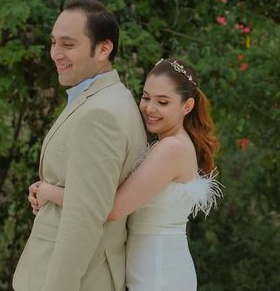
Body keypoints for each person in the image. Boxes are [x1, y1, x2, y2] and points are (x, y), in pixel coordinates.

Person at [34, 57, 222, 291]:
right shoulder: (165, 145)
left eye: (163, 102)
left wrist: (51, 192)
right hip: (145, 269)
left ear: (187, 106)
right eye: (146, 97)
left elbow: (111, 208)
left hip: (160, 275)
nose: (150, 108)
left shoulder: (171, 149)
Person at [13, 0, 147, 291]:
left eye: (68, 45)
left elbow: (84, 218)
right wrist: (50, 189)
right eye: (53, 42)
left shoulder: (101, 113)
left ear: (103, 48)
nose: (55, 54)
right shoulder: (108, 99)